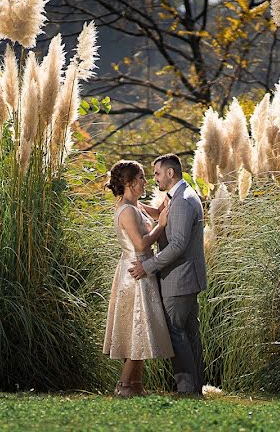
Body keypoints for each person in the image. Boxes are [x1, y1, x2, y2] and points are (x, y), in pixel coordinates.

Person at [129, 153, 207, 396]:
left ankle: (186, 390)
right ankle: (195, 387)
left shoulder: (182, 200)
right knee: (189, 334)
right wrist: (133, 203)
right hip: (186, 277)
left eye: (158, 174)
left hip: (179, 278)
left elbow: (177, 245)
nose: (155, 179)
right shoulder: (179, 195)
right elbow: (161, 215)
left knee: (177, 333)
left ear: (170, 173)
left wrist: (148, 266)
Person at [103, 160, 174, 397]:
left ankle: (136, 385)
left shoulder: (135, 206)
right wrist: (161, 226)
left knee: (140, 327)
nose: (146, 182)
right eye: (142, 177)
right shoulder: (127, 211)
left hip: (141, 270)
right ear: (130, 182)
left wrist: (167, 202)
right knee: (139, 328)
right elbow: (141, 243)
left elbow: (155, 211)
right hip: (135, 272)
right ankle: (123, 385)